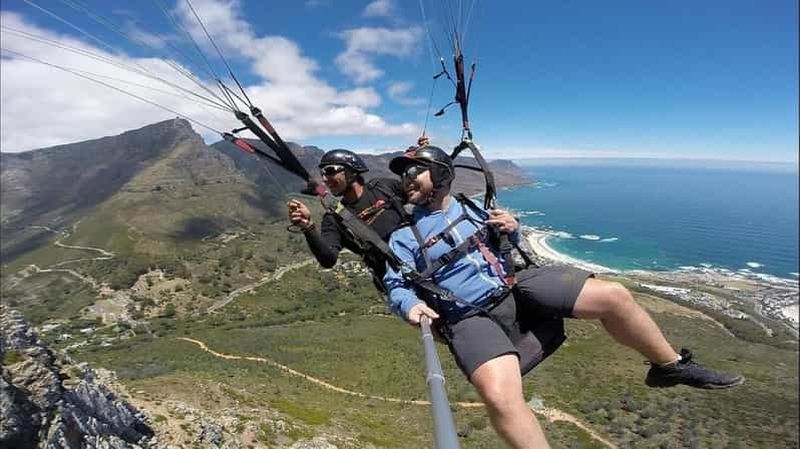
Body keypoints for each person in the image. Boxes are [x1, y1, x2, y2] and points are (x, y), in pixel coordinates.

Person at [382, 146, 744, 449]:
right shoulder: (404, 237)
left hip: (512, 283)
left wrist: (513, 227)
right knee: (500, 397)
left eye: (415, 170)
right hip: (467, 314)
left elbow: (507, 239)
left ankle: (669, 366)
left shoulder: (471, 207)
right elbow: (395, 284)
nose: (407, 179)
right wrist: (409, 305)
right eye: (403, 174)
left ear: (441, 174)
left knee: (614, 295)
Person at [287, 149, 406, 291]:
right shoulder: (334, 219)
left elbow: (421, 197)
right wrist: (308, 227)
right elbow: (328, 260)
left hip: (423, 260)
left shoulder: (383, 187)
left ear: (351, 171)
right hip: (398, 284)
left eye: (330, 171)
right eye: (322, 174)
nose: (324, 179)